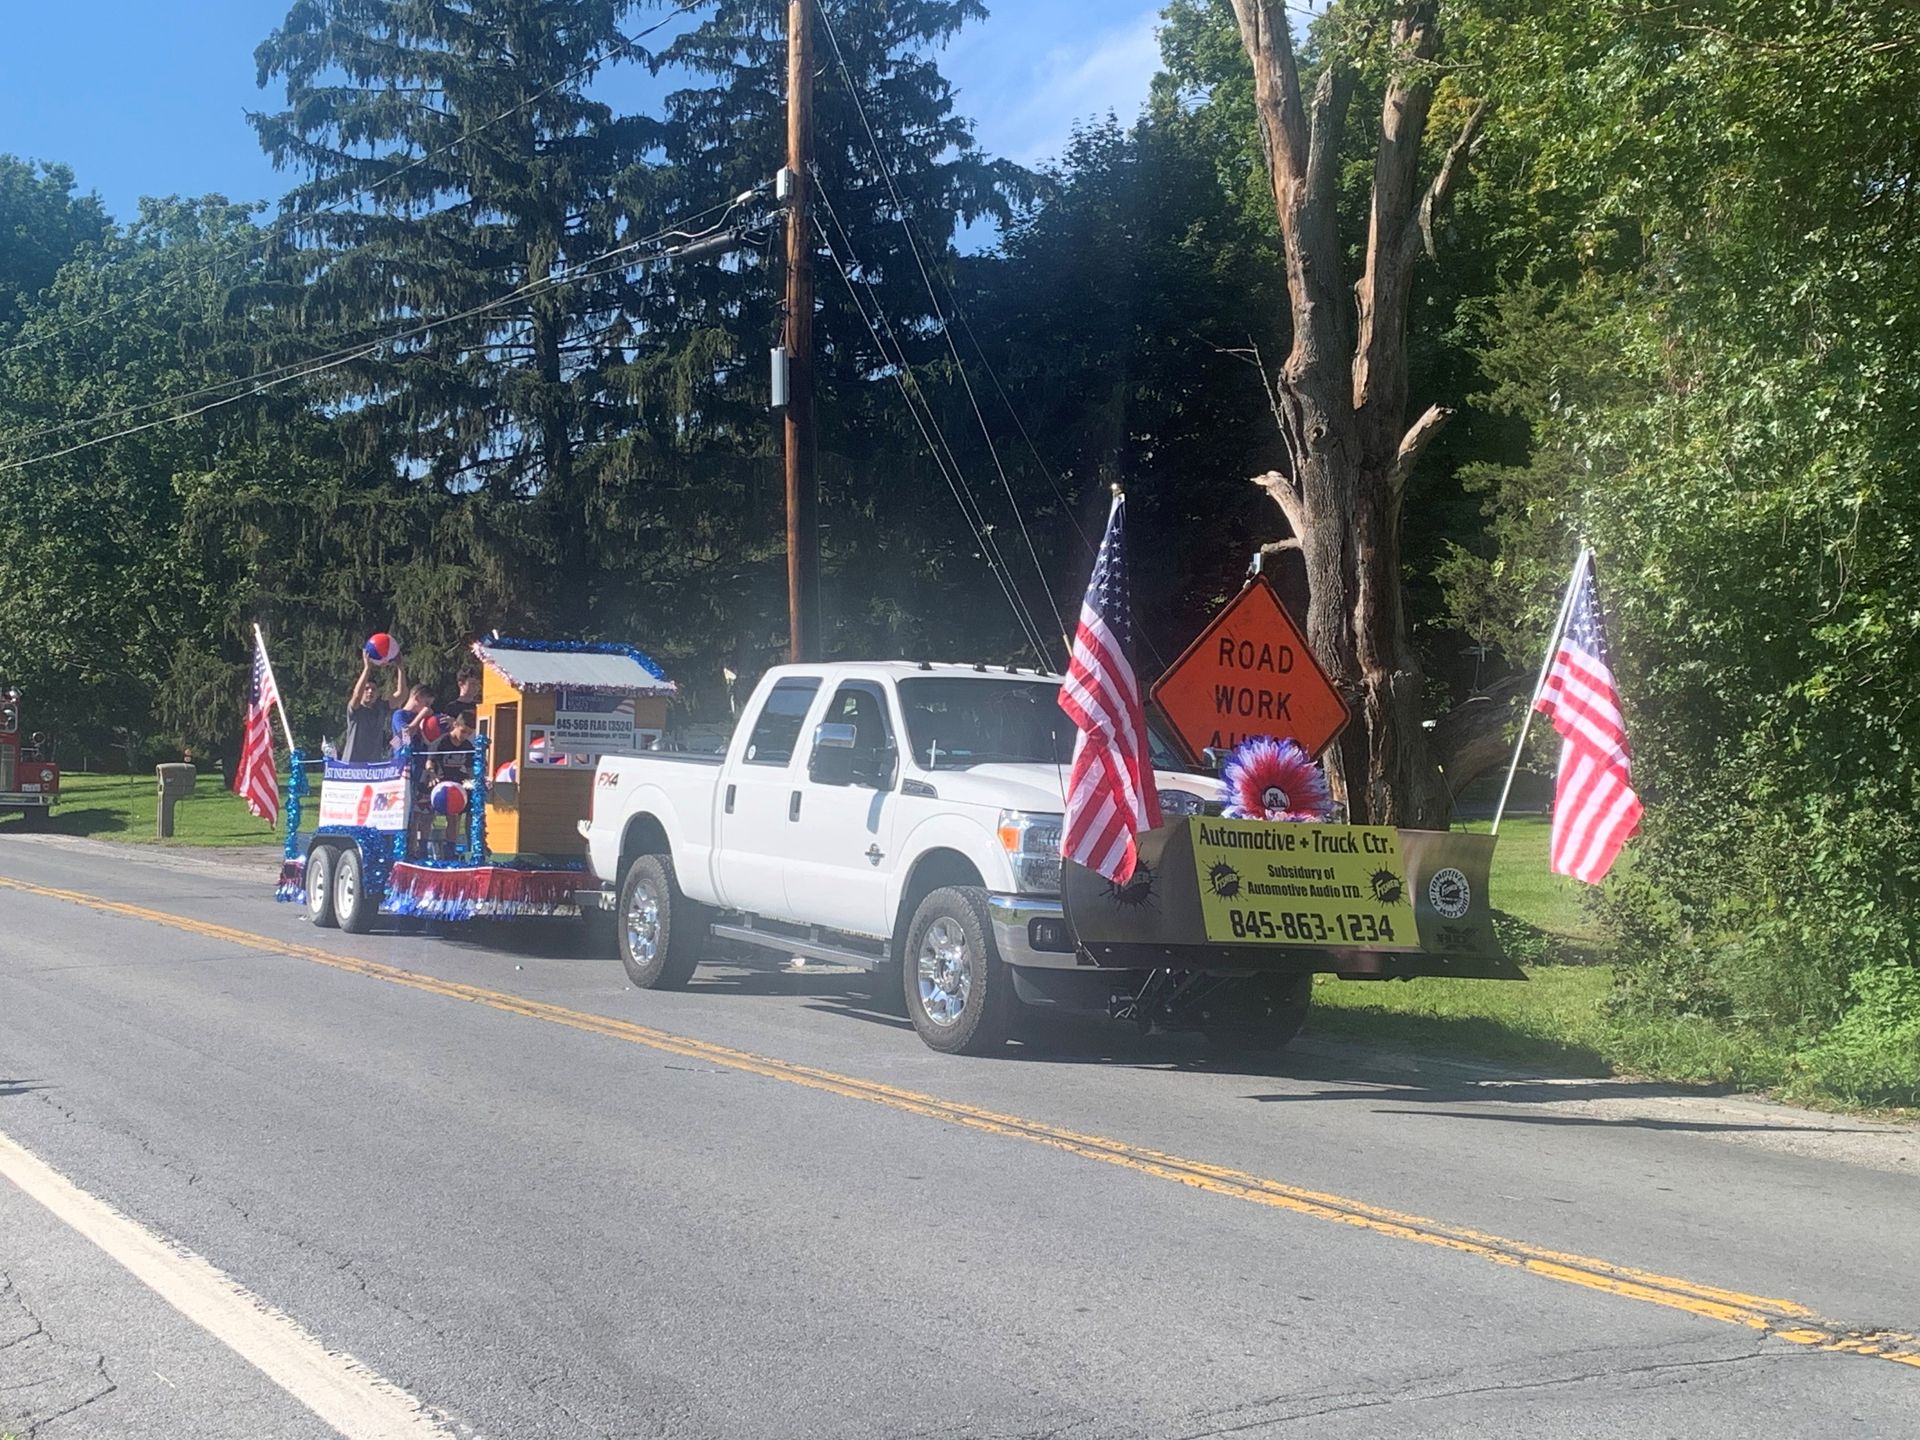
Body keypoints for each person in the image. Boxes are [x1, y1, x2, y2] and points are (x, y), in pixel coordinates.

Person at [340, 655, 406, 764]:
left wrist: (400, 668)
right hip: (352, 765)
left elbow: (401, 696)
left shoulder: (381, 708)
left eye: (373, 689)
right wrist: (367, 668)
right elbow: (356, 696)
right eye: (366, 689)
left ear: (378, 693)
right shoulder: (355, 709)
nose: (370, 691)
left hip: (373, 766)